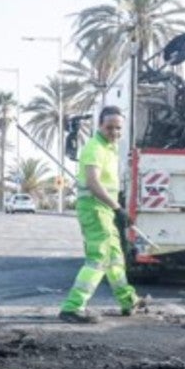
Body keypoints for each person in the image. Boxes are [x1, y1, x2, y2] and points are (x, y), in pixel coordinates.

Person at [58, 105, 146, 323]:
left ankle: (129, 300)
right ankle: (72, 307)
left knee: (115, 258)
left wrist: (114, 209)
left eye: (118, 128)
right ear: (99, 125)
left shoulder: (109, 148)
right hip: (95, 208)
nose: (114, 132)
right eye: (109, 127)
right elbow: (93, 183)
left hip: (105, 209)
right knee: (98, 259)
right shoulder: (95, 148)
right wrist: (117, 208)